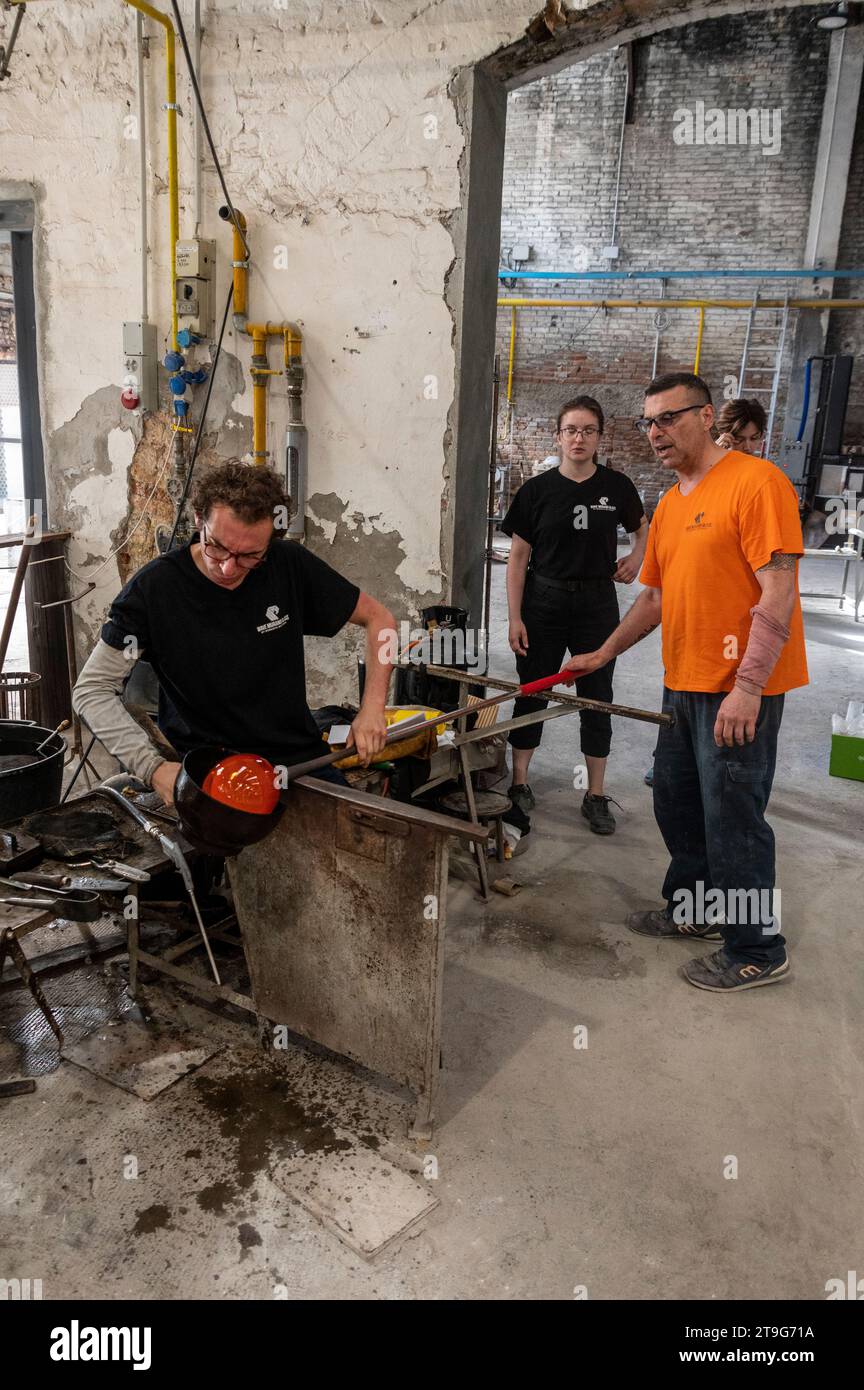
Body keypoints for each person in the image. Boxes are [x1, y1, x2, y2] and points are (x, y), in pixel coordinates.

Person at [565, 372, 808, 991]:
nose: (656, 433)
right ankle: (696, 912)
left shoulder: (758, 484)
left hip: (740, 689)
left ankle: (758, 947)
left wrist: (749, 685)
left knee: (735, 817)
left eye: (669, 418)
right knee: (677, 802)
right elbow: (654, 598)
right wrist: (600, 654)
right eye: (648, 422)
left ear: (706, 418)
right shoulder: (671, 503)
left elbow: (778, 591)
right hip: (685, 681)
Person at [73, 461, 394, 804]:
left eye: (249, 556)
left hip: (295, 762)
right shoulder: (154, 590)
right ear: (199, 520)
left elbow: (381, 620)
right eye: (218, 547)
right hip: (208, 773)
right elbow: (91, 690)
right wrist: (152, 767)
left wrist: (373, 707)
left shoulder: (289, 565)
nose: (228, 567)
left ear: (271, 540)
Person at [501, 396, 648, 836]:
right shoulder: (536, 490)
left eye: (588, 430)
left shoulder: (617, 486)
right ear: (558, 436)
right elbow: (518, 558)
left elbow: (644, 527)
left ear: (599, 437)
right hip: (543, 603)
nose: (579, 438)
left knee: (596, 696)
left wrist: (637, 556)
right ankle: (520, 783)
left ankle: (595, 794)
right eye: (571, 430)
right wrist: (514, 617)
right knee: (532, 690)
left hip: (597, 605)